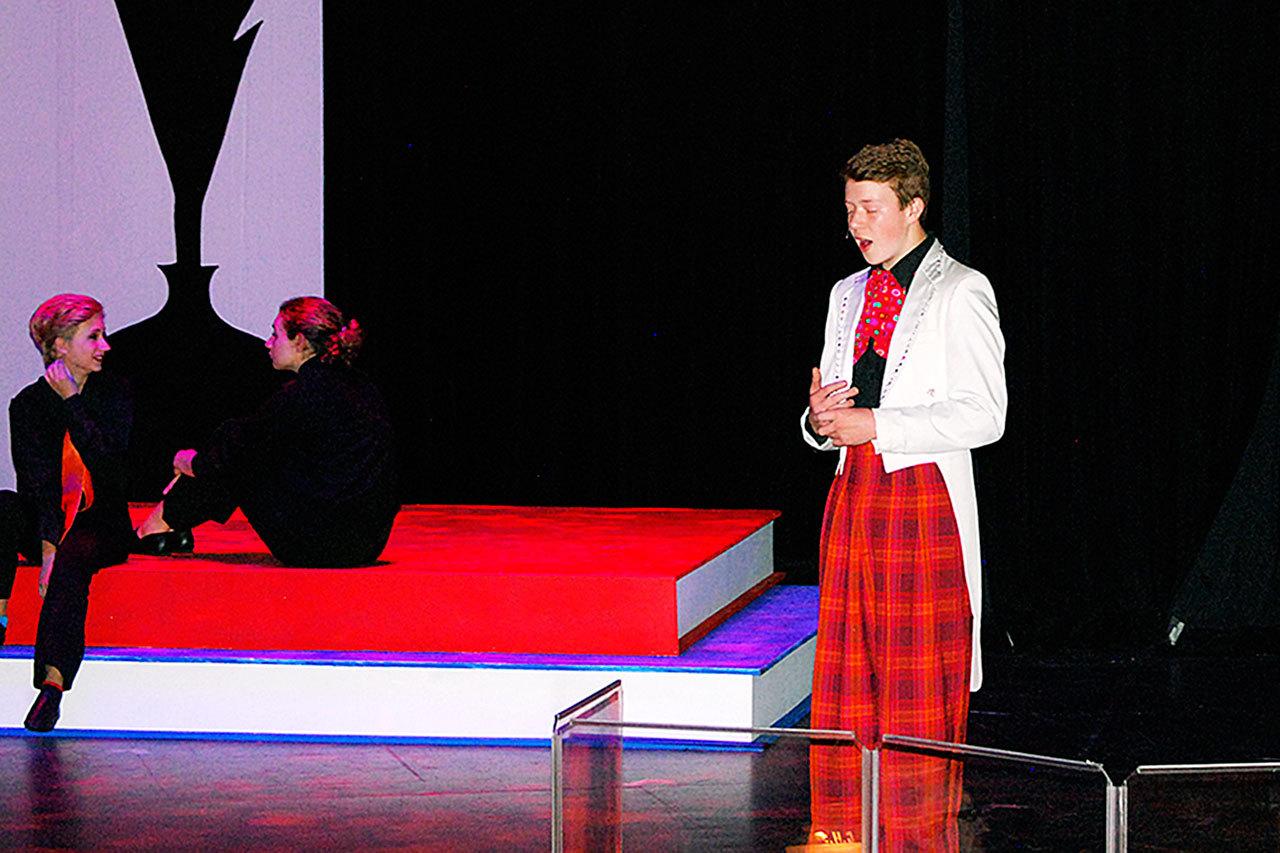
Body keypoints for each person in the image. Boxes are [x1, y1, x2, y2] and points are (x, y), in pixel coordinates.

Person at [802, 139, 1007, 847]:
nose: (856, 223)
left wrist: (877, 424)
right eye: (850, 208)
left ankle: (921, 835)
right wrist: (819, 419)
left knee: (917, 686)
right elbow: (832, 409)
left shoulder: (961, 289)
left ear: (913, 206)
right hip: (853, 493)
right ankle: (843, 835)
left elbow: (986, 413)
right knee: (846, 674)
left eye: (871, 208)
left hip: (921, 500)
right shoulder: (846, 293)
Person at [134, 296, 399, 567]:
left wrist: (187, 462)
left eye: (275, 335)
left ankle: (155, 527)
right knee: (244, 444)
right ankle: (168, 524)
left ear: (300, 342)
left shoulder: (301, 396)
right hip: (369, 542)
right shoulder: (363, 387)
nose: (268, 343)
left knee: (240, 453)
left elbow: (233, 454)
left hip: (320, 546)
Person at [0, 294, 133, 732]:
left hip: (100, 521)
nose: (105, 346)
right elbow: (36, 480)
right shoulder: (27, 405)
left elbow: (108, 467)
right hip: (50, 521)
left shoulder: (114, 394)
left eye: (103, 334)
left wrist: (74, 401)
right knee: (2, 504)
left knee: (73, 556)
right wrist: (47, 543)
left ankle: (52, 685)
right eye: (93, 336)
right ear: (59, 345)